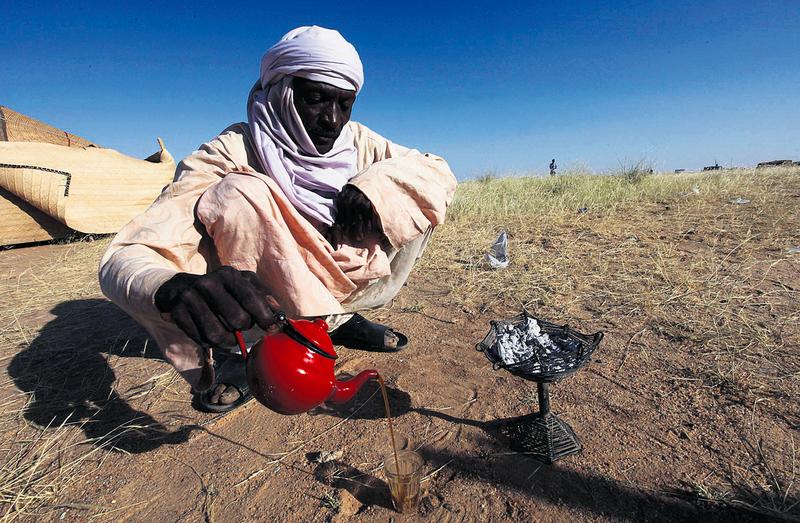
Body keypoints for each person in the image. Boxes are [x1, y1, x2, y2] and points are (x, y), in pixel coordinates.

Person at [99, 26, 457, 412]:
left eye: (345, 104)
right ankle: (250, 353)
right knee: (239, 193)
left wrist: (374, 188)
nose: (331, 121)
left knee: (409, 191)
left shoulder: (359, 142)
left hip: (347, 283)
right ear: (282, 91)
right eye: (316, 99)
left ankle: (337, 320)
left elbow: (436, 170)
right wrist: (170, 285)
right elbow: (125, 257)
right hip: (268, 301)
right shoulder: (232, 149)